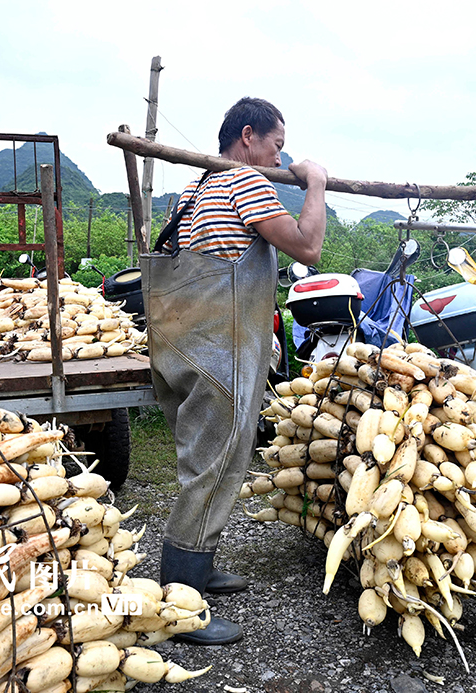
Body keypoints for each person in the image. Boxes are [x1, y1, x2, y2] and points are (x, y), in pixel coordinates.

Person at [143, 97, 328, 645]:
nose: (281, 154)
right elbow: (308, 247)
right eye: (276, 144)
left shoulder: (198, 188)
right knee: (212, 463)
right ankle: (180, 605)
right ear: (247, 136)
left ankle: (199, 566)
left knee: (215, 458)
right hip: (218, 349)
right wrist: (313, 184)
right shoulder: (244, 183)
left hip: (187, 345)